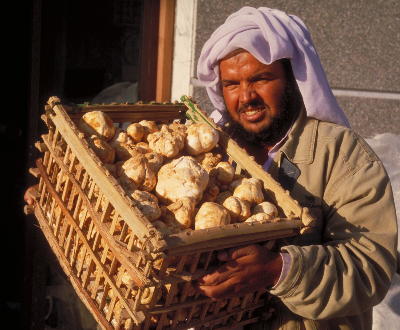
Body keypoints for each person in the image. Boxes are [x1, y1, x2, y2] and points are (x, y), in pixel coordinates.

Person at [194, 6, 398, 329]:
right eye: (232, 84)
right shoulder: (212, 157)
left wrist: (279, 270)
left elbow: (370, 267)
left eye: (260, 78)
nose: (246, 97)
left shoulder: (342, 155)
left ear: (292, 78)